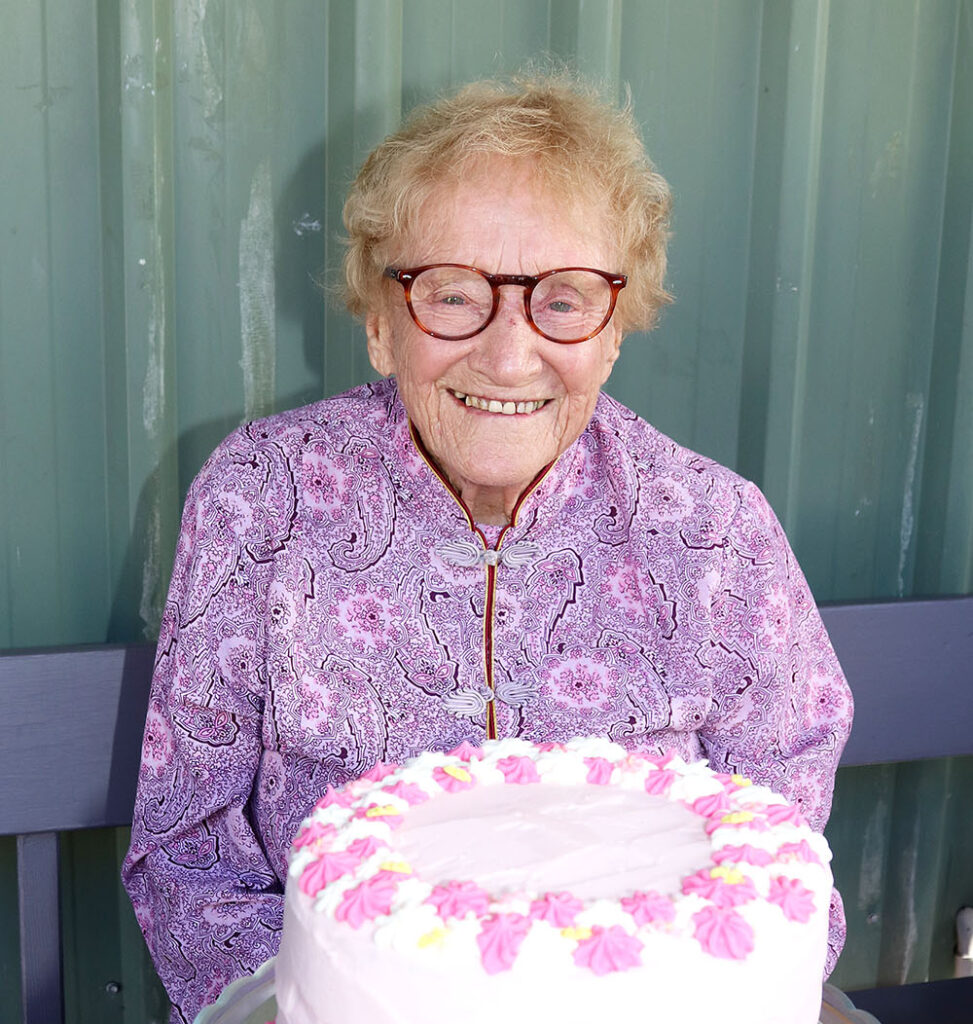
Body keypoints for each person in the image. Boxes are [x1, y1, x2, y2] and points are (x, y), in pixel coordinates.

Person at [123, 75, 853, 1022]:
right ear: (380, 322)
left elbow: (778, 854)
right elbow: (188, 849)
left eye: (564, 299)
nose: (508, 355)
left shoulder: (713, 531)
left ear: (614, 334)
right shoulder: (262, 499)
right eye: (454, 294)